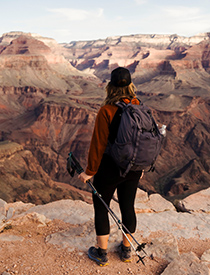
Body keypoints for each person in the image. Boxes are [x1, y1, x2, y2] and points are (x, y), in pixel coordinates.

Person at [78, 67, 143, 266]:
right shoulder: (139, 106)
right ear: (131, 86)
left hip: (110, 169)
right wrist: (140, 168)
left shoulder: (106, 111)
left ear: (110, 87)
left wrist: (89, 172)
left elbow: (97, 145)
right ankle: (126, 250)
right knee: (128, 206)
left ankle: (102, 253)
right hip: (133, 168)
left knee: (101, 207)